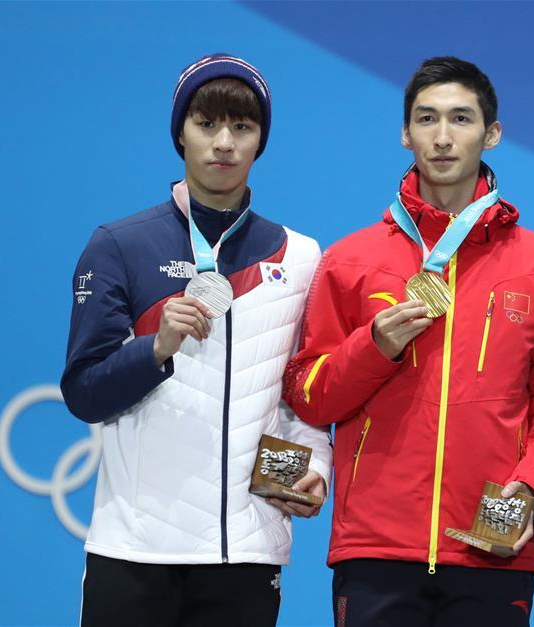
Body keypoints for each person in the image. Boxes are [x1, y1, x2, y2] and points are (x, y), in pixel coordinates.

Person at [283, 56, 534, 626]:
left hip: (491, 546)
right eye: (426, 120)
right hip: (376, 549)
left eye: (461, 120)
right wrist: (372, 348)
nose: (443, 138)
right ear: (405, 133)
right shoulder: (350, 262)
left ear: (491, 134)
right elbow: (309, 394)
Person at [61, 53, 331, 627]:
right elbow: (85, 392)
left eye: (242, 127)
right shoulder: (118, 245)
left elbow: (302, 398)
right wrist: (154, 348)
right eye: (207, 124)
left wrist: (317, 471)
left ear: (261, 141)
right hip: (134, 551)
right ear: (180, 134)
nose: (224, 143)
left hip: (247, 553)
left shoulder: (302, 257)